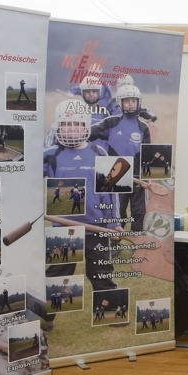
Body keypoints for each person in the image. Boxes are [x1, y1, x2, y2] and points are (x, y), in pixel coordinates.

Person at [43, 99, 122, 292]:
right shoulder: (50, 155)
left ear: (86, 126)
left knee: (102, 274)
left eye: (77, 124)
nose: (71, 129)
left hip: (96, 228)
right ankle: (51, 311)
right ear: (58, 127)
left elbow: (109, 192)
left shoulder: (99, 152)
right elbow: (28, 182)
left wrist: (113, 223)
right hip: (63, 227)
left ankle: (110, 306)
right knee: (57, 276)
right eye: (66, 124)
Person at [90, 83, 151, 230]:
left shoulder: (144, 127)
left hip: (137, 177)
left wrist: (148, 176)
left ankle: (137, 240)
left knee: (139, 212)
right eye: (127, 101)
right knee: (117, 211)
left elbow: (148, 155)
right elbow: (87, 134)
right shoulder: (110, 123)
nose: (130, 104)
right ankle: (115, 240)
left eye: (133, 101)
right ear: (120, 102)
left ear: (138, 102)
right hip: (116, 175)